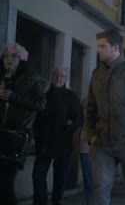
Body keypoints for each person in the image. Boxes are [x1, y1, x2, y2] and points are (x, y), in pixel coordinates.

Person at [86, 30, 125, 205]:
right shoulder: (97, 74)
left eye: (102, 46)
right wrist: (90, 134)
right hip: (101, 142)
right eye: (98, 46)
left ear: (116, 48)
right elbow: (90, 107)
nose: (98, 50)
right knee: (99, 187)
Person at [0, 43, 48, 205]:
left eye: (13, 56)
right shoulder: (2, 77)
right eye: (6, 56)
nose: (9, 59)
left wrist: (13, 96)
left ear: (21, 59)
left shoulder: (33, 79)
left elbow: (40, 105)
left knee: (5, 183)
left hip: (16, 137)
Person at [32, 67, 82, 205]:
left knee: (60, 179)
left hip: (63, 144)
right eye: (56, 75)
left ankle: (56, 202)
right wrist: (36, 137)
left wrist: (69, 126)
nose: (59, 78)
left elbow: (78, 119)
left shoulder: (72, 96)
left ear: (66, 78)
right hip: (44, 144)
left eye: (62, 76)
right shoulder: (43, 94)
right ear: (52, 75)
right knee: (38, 176)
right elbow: (36, 117)